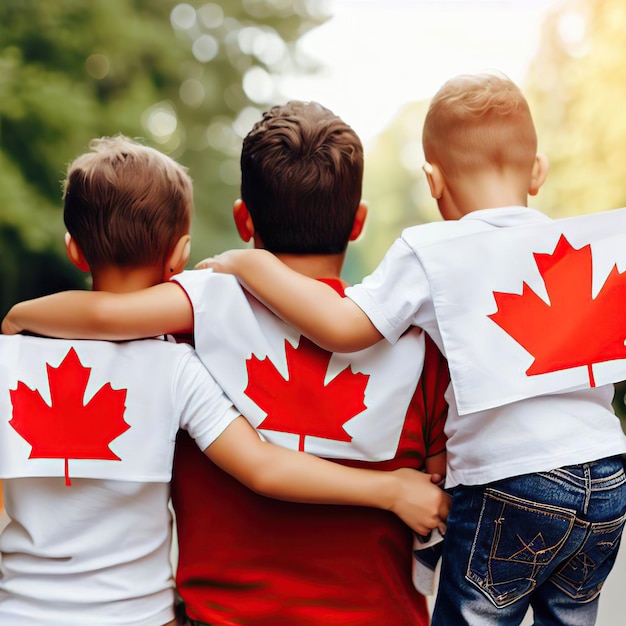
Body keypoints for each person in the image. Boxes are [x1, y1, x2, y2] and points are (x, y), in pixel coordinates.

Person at [187, 74, 626, 625]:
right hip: (606, 480)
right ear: (538, 170)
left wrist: (250, 265)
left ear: (432, 179)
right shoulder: (584, 250)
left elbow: (345, 327)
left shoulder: (433, 255)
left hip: (512, 481)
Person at [2, 103, 451, 625]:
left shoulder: (195, 309)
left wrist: (17, 317)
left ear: (243, 220)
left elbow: (105, 313)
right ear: (358, 223)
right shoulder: (418, 342)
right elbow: (442, 499)